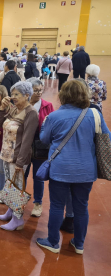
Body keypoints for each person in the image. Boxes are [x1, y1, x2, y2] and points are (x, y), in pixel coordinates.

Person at [36, 80, 111, 254]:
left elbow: (44, 139)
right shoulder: (94, 115)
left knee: (56, 206)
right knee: (81, 206)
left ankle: (53, 242)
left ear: (63, 95)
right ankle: (79, 244)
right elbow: (106, 138)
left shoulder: (54, 116)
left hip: (60, 169)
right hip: (86, 169)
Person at [0, 81, 39, 230]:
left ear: (27, 95)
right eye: (12, 94)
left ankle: (17, 219)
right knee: (10, 184)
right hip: (6, 153)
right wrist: (1, 109)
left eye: (16, 94)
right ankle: (10, 210)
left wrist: (20, 162)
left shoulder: (31, 112)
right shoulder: (14, 109)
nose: (13, 97)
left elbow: (27, 140)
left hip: (18, 157)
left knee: (17, 186)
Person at [23, 78, 54, 217]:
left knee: (38, 176)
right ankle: (19, 201)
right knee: (21, 175)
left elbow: (51, 126)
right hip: (23, 145)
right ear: (29, 91)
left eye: (41, 90)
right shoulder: (22, 105)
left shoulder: (48, 106)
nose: (39, 92)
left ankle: (38, 203)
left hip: (40, 145)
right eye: (36, 90)